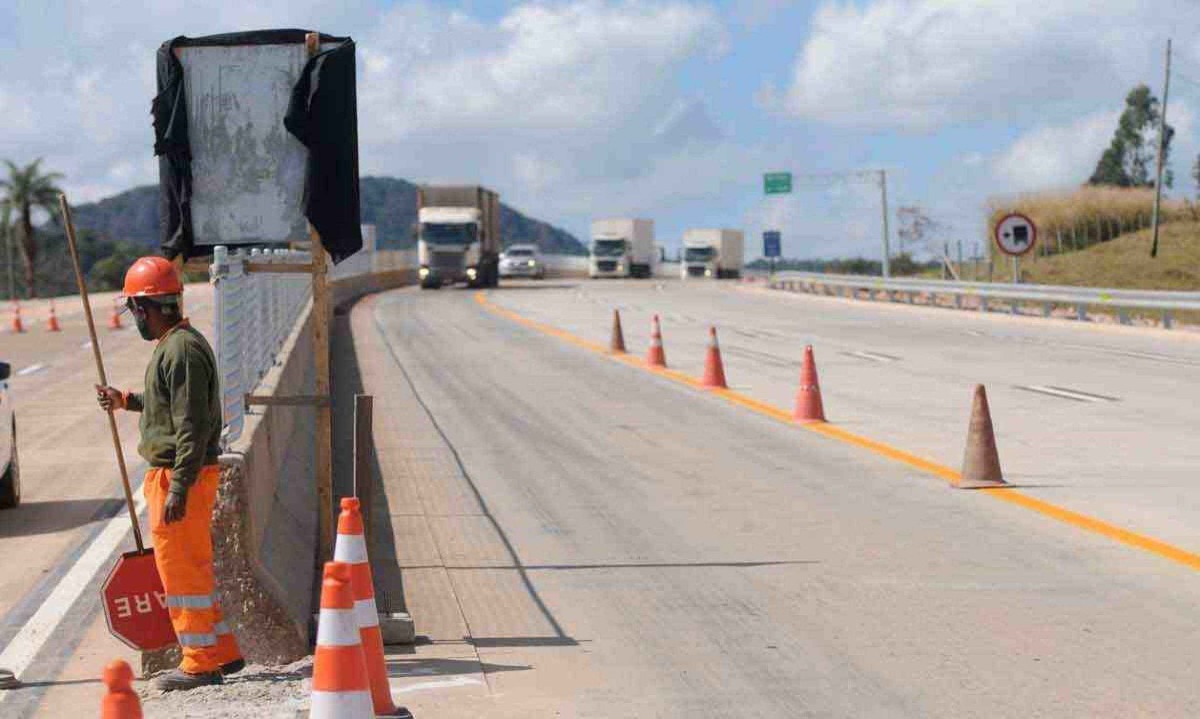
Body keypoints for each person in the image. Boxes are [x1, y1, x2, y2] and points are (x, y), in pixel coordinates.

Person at [96, 256, 244, 692]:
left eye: (135, 311)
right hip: (184, 475)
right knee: (192, 568)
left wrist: (178, 487)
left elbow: (191, 426)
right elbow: (169, 404)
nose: (135, 320)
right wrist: (125, 399)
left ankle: (199, 662)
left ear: (148, 308)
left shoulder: (180, 350)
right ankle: (220, 650)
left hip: (181, 477)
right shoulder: (179, 345)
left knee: (182, 576)